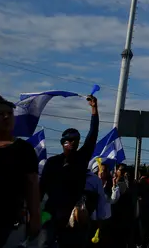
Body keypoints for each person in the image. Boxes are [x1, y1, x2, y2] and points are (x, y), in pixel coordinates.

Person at [40, 94, 99, 248]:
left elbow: (92, 135)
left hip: (74, 214)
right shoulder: (52, 163)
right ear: (63, 142)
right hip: (50, 213)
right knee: (46, 243)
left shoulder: (81, 158)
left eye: (77, 140)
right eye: (70, 140)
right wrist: (34, 213)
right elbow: (41, 188)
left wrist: (94, 109)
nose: (73, 143)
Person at [0, 93, 41, 248]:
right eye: (0, 114)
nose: (7, 117)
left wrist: (35, 216)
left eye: (10, 114)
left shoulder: (24, 150)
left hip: (8, 224)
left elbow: (32, 185)